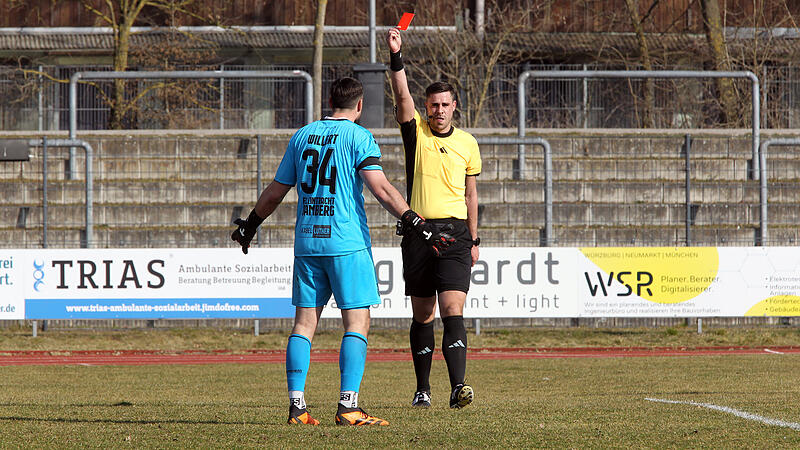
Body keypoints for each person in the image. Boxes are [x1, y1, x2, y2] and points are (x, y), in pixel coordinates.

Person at [231, 77, 454, 426]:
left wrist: (250, 225)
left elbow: (275, 191)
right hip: (346, 242)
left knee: (304, 324)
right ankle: (348, 406)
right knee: (357, 322)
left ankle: (297, 407)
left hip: (308, 242)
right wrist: (415, 221)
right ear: (360, 105)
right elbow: (380, 188)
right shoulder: (358, 136)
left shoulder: (302, 135)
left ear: (329, 101)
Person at [386, 28, 482, 410]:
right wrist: (396, 56)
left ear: (454, 106)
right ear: (426, 107)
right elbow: (401, 96)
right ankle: (422, 389)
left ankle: (458, 388)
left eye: (444, 104)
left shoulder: (468, 143)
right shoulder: (417, 134)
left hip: (456, 234)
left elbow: (471, 194)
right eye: (433, 105)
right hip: (419, 232)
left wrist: (474, 238)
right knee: (423, 313)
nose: (438, 110)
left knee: (453, 308)